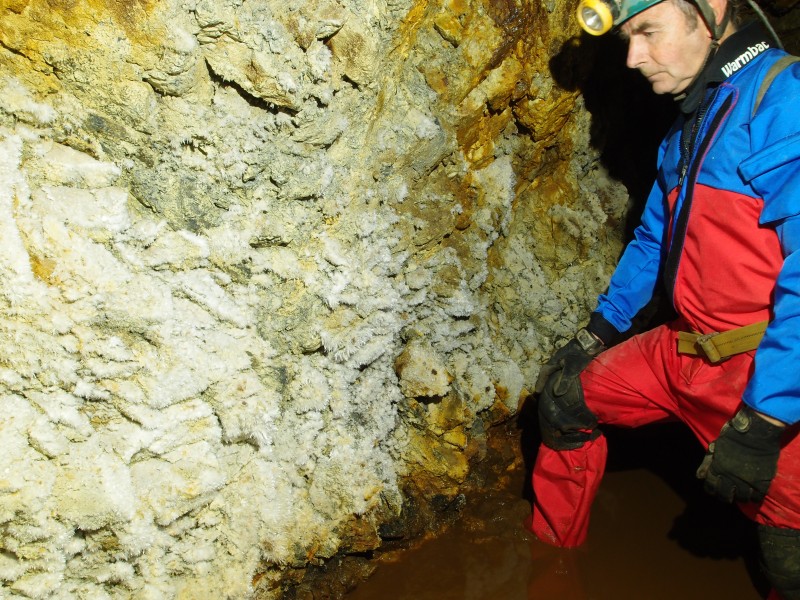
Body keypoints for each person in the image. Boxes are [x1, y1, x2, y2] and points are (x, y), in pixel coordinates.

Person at [529, 0, 800, 598]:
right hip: (681, 348)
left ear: (713, 12)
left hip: (765, 367)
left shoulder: (783, 104)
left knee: (790, 557)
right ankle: (549, 572)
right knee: (564, 399)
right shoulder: (692, 119)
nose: (633, 58)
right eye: (628, 38)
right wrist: (596, 333)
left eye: (648, 32)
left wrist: (766, 422)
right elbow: (655, 237)